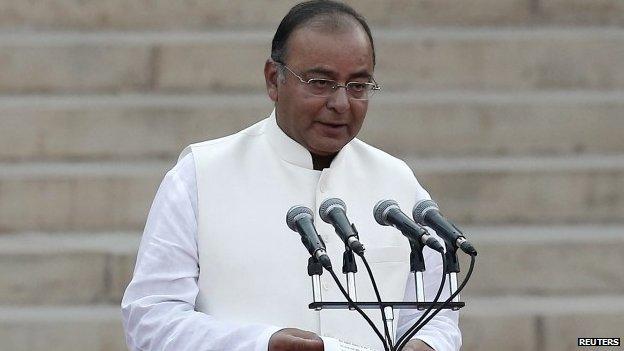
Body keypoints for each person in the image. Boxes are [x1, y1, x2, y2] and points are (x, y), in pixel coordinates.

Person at [121, 1, 461, 350]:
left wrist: (426, 345)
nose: (341, 103)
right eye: (320, 82)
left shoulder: (397, 184)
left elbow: (438, 320)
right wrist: (261, 344)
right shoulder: (199, 177)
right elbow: (150, 320)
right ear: (274, 80)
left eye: (358, 86)